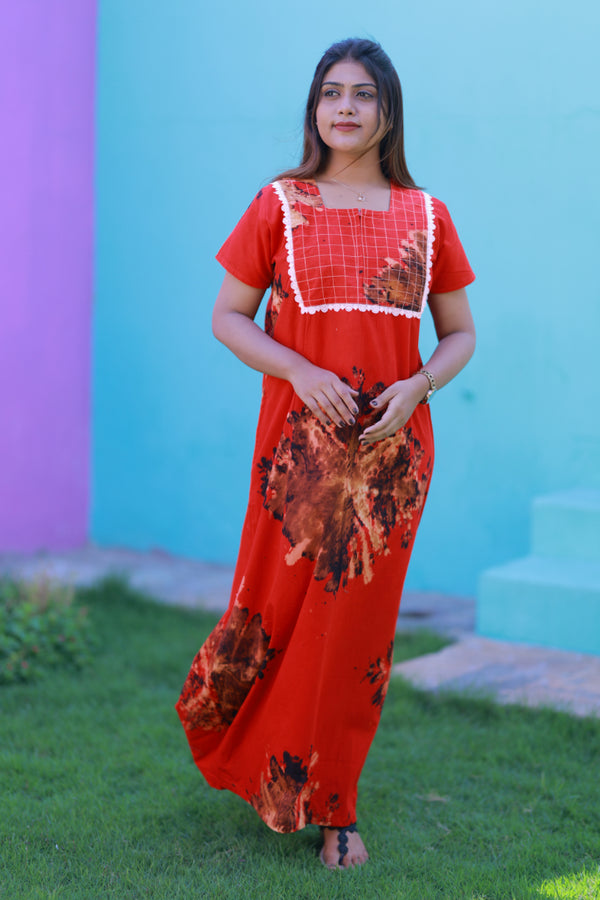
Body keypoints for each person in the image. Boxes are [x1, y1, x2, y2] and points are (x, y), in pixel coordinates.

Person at [176, 37, 475, 870]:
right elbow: (229, 317)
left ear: (389, 111)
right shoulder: (280, 203)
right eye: (331, 93)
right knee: (270, 619)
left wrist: (417, 387)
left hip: (390, 464)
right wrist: (299, 369)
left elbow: (459, 337)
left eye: (365, 94)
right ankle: (260, 764)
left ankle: (337, 807)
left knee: (356, 642)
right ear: (315, 109)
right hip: (295, 467)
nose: (346, 107)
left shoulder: (428, 216)